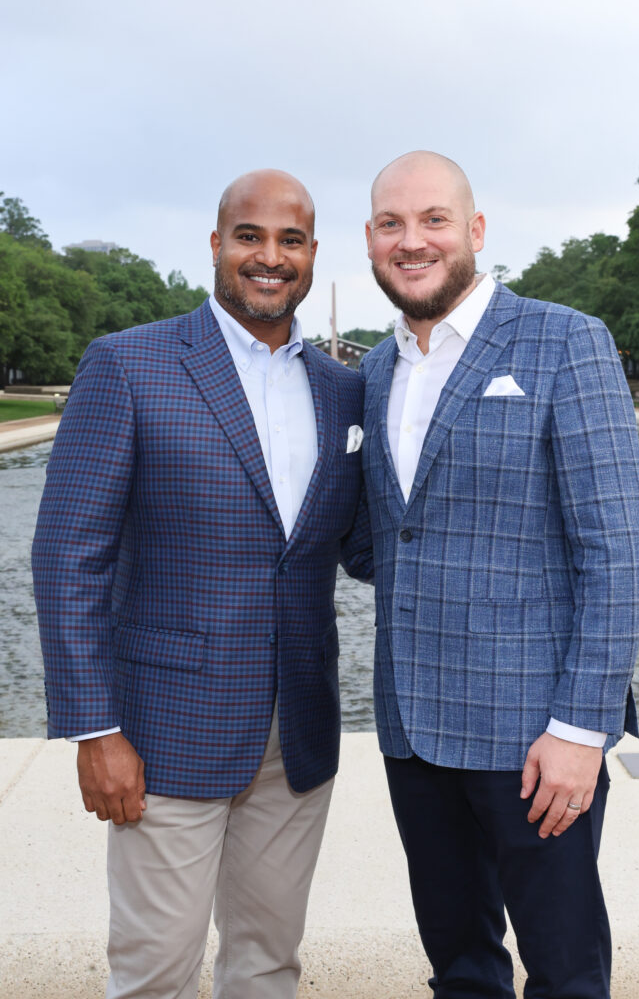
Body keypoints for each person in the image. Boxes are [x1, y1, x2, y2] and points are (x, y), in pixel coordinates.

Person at [32, 169, 371, 999]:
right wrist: (94, 730)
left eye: (289, 240)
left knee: (267, 963)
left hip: (298, 733)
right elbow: (67, 557)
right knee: (155, 971)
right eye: (249, 235)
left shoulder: (343, 389)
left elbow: (363, 548)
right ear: (216, 245)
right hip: (162, 733)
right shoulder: (127, 364)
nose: (269, 256)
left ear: (312, 254)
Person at [361, 150, 639, 999]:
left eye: (432, 220)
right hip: (413, 725)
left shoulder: (564, 340)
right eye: (390, 224)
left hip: (536, 735)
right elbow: (387, 538)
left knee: (564, 972)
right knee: (459, 967)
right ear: (371, 240)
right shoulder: (376, 369)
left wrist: (580, 729)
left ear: (475, 230)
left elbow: (619, 548)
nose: (411, 241)